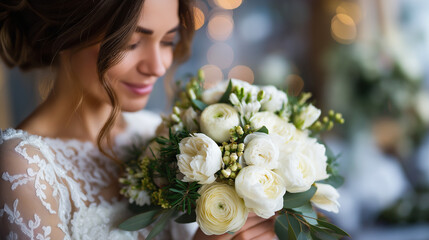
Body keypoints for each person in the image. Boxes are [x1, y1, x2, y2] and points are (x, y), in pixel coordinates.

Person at [0, 0, 276, 239]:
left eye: (168, 41)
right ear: (65, 31)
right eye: (130, 43)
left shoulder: (158, 132)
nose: (157, 66)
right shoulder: (23, 167)